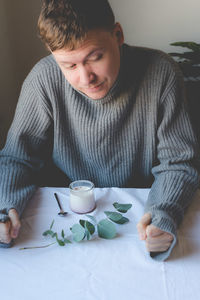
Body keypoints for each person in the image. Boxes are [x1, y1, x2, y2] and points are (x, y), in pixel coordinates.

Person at [0, 0, 199, 261]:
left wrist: (163, 214)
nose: (85, 78)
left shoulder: (161, 72)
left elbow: (178, 162)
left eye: (95, 57)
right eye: (69, 66)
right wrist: (4, 208)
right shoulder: (43, 78)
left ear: (118, 35)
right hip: (68, 219)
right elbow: (17, 157)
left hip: (141, 214)